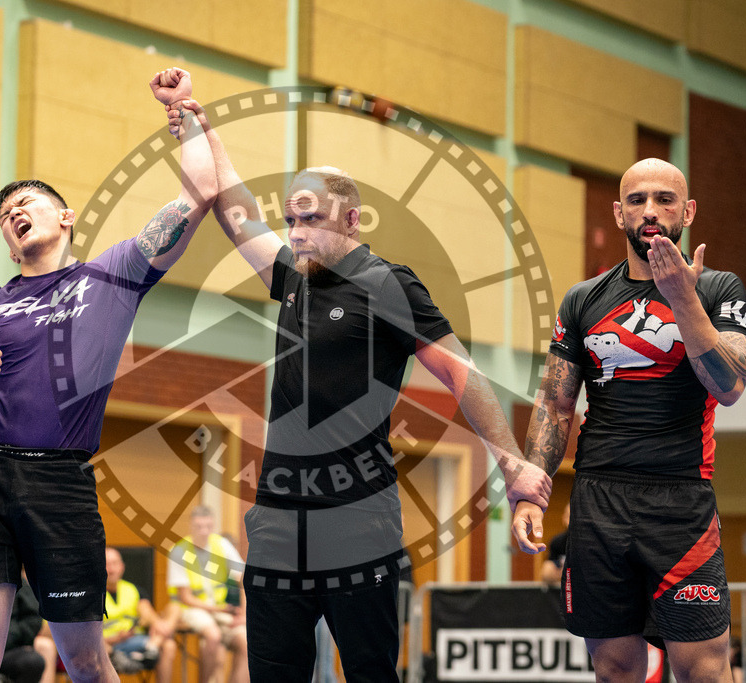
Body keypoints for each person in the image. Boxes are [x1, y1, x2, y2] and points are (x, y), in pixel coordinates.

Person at [160, 68, 551, 682]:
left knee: (369, 672)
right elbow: (234, 207)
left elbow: (463, 375)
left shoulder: (389, 284)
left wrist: (510, 462)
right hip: (277, 521)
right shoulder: (293, 276)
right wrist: (196, 123)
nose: (297, 233)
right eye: (291, 219)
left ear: (352, 220)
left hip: (358, 520)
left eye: (310, 219)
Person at [0, 69, 216, 683]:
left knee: (85, 662)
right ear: (8, 244)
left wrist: (183, 114)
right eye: (5, 213)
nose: (14, 212)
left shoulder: (113, 274)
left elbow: (198, 192)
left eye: (27, 203)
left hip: (60, 480)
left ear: (66, 217)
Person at [519, 158, 746, 683]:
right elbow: (556, 406)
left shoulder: (719, 290)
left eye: (665, 199)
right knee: (614, 667)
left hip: (681, 502)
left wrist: (681, 298)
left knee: (705, 670)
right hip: (598, 499)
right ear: (619, 212)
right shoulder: (583, 300)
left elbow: (730, 385)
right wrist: (529, 492)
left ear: (688, 210)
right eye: (637, 200)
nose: (651, 210)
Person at [167, 505, 248, 683]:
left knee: (246, 641)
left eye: (208, 526)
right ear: (191, 526)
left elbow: (244, 577)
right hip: (191, 609)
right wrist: (220, 609)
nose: (204, 531)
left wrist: (243, 611)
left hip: (221, 610)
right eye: (199, 527)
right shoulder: (179, 551)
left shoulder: (221, 545)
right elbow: (185, 597)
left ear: (213, 526)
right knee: (213, 636)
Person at [103, 547, 178, 680]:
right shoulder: (91, 595)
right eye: (107, 564)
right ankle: (125, 657)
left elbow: (148, 614)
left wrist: (157, 625)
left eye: (115, 564)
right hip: (107, 646)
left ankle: (151, 649)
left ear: (122, 567)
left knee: (169, 644)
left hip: (134, 641)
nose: (111, 569)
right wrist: (115, 639)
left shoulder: (134, 591)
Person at [541, 504, 571, 588]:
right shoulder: (557, 542)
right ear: (564, 518)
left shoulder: (592, 542)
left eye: (575, 517)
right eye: (569, 516)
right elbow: (548, 571)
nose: (571, 521)